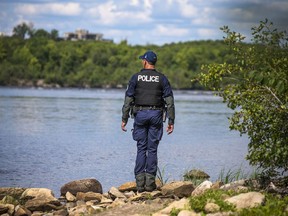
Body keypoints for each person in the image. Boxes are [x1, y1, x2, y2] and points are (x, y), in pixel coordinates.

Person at [121, 50, 175, 192]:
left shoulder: (136, 77)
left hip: (140, 115)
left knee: (141, 148)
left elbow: (128, 100)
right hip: (156, 115)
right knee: (152, 149)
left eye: (142, 60)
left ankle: (140, 186)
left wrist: (124, 118)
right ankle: (150, 185)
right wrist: (171, 120)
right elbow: (170, 101)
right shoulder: (162, 78)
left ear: (145, 61)